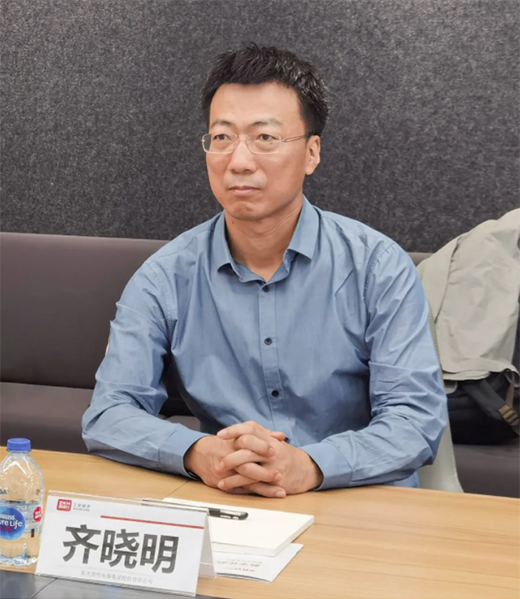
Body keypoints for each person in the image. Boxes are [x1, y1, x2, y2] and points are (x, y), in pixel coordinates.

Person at [82, 43, 447, 498]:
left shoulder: (377, 267)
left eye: (265, 138)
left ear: (311, 152)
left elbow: (415, 421)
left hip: (356, 500)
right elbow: (108, 413)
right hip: (228, 498)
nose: (239, 161)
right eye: (222, 137)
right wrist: (199, 453)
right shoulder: (165, 277)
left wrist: (309, 465)